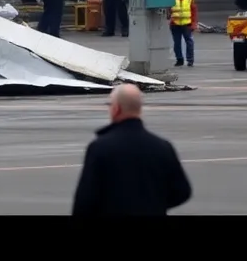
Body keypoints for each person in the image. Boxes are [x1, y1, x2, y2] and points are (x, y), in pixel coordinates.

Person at [71, 84, 193, 216]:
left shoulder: (100, 147)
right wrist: (154, 204)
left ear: (116, 109)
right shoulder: (162, 147)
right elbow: (182, 192)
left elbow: (85, 200)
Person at [168, 0, 197, 67]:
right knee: (177, 44)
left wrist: (194, 23)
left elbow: (194, 10)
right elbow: (168, 10)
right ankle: (179, 59)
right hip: (175, 24)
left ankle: (190, 60)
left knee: (189, 42)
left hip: (187, 24)